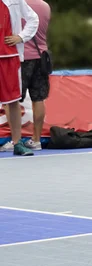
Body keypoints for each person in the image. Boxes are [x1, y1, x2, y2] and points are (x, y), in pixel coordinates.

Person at [0, 0, 38, 156]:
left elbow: (33, 18)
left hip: (9, 55)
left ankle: (17, 143)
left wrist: (21, 37)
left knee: (13, 101)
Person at [17, 0, 50, 151]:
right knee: (39, 98)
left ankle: (15, 139)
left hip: (21, 58)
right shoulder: (44, 6)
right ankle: (36, 139)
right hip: (41, 57)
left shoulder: (16, 5)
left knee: (14, 101)